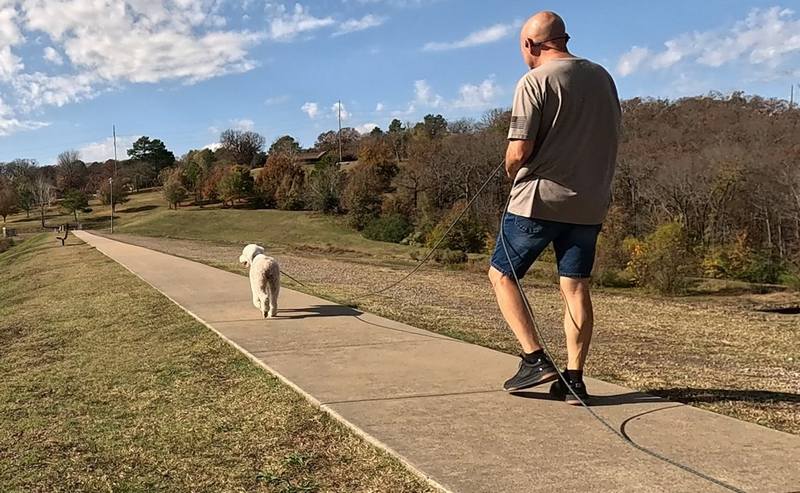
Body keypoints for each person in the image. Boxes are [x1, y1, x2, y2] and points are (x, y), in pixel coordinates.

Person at [488, 11, 621, 404]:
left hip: (538, 199)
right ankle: (575, 378)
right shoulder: (602, 77)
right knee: (575, 287)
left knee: (501, 275)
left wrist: (511, 169)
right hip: (590, 203)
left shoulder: (534, 81)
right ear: (564, 38)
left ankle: (533, 359)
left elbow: (519, 150)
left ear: (530, 45)